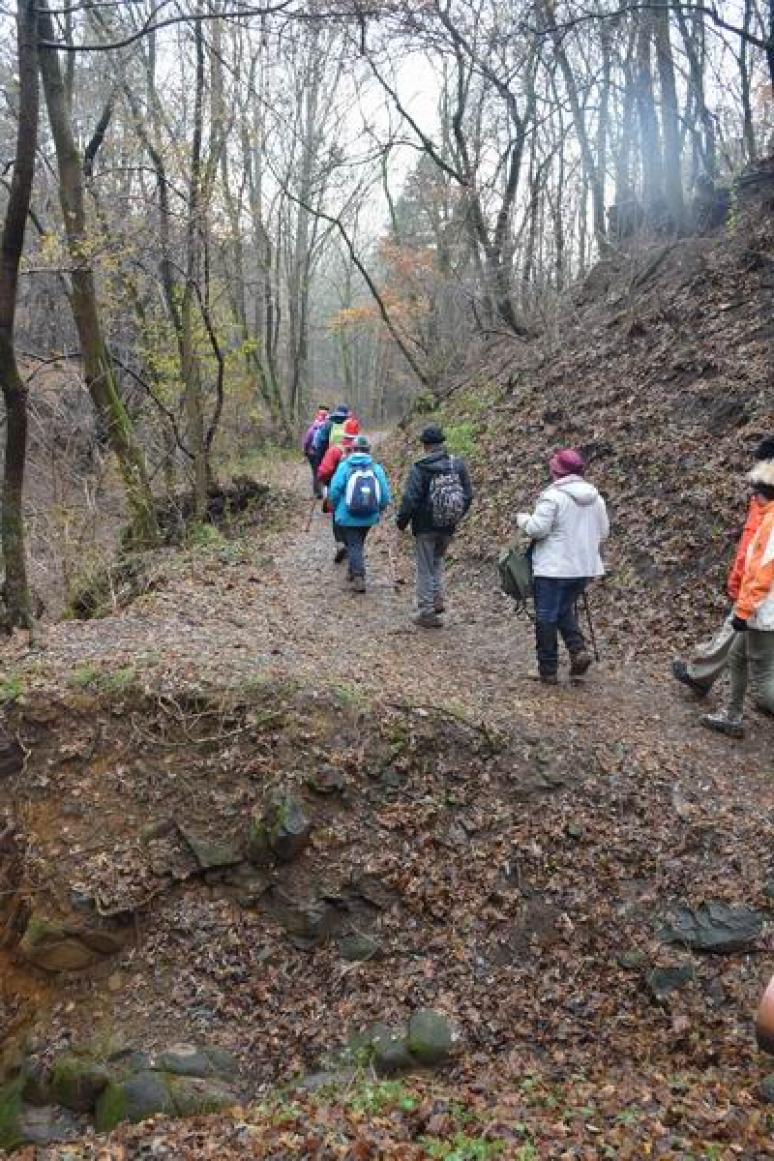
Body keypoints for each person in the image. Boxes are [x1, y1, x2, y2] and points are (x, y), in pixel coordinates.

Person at [672, 437, 774, 696]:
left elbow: (755, 554)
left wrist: (739, 582)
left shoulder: (765, 504)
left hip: (759, 592)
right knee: (742, 646)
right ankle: (717, 691)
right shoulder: (763, 499)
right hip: (759, 591)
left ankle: (703, 679)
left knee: (739, 640)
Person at [516, 449, 608, 684]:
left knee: (546, 616)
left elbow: (538, 529)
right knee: (562, 609)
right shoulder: (596, 497)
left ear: (557, 471)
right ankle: (578, 650)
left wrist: (523, 519)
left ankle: (547, 670)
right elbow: (604, 532)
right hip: (584, 568)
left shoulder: (553, 497)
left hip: (553, 568)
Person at [699, 460, 774, 738]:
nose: (752, 497)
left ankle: (732, 715)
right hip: (761, 609)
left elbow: (762, 574)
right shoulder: (768, 519)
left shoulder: (770, 524)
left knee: (764, 683)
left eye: (756, 492)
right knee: (736, 657)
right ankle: (732, 715)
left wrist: (743, 611)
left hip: (764, 612)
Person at [396, 425, 473, 628]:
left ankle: (426, 612)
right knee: (437, 562)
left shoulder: (420, 467)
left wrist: (401, 522)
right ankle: (437, 599)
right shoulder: (456, 465)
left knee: (425, 567)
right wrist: (456, 516)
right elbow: (468, 494)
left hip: (425, 526)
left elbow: (410, 499)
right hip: (448, 524)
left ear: (425, 446)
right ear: (442, 443)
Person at [328, 435, 391, 593]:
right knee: (358, 542)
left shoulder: (344, 466)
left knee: (354, 544)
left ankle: (358, 576)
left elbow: (334, 490)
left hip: (348, 514)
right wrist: (380, 508)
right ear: (368, 451)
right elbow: (384, 495)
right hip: (369, 514)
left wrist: (335, 506)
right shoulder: (375, 468)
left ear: (353, 449)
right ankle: (352, 570)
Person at [317, 422, 360, 564]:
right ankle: (351, 545)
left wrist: (322, 480)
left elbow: (324, 471)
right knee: (352, 517)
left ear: (344, 432)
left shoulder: (336, 450)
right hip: (356, 492)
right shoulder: (361, 450)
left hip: (338, 489)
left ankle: (341, 543)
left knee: (337, 516)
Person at [301, 406, 329, 497]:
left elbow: (307, 441)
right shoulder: (327, 428)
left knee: (315, 472)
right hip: (323, 453)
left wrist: (305, 452)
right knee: (323, 471)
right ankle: (323, 490)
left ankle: (317, 493)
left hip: (312, 453)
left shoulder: (313, 427)